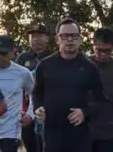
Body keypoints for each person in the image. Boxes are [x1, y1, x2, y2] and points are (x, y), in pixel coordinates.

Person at [33, 17, 105, 152]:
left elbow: (100, 100)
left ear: (80, 39)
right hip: (52, 135)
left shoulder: (90, 68)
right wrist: (38, 109)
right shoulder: (44, 66)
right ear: (57, 39)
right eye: (65, 36)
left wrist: (84, 112)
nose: (70, 40)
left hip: (80, 136)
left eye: (74, 36)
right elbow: (37, 93)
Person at [0, 35, 36, 152]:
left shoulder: (23, 73)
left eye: (3, 53)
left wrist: (30, 114)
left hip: (11, 131)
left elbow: (35, 94)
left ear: (12, 53)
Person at [17, 24, 50, 152]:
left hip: (47, 108)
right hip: (27, 109)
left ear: (46, 38)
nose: (36, 39)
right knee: (30, 143)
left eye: (40, 36)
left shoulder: (53, 56)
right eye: (33, 36)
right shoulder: (22, 58)